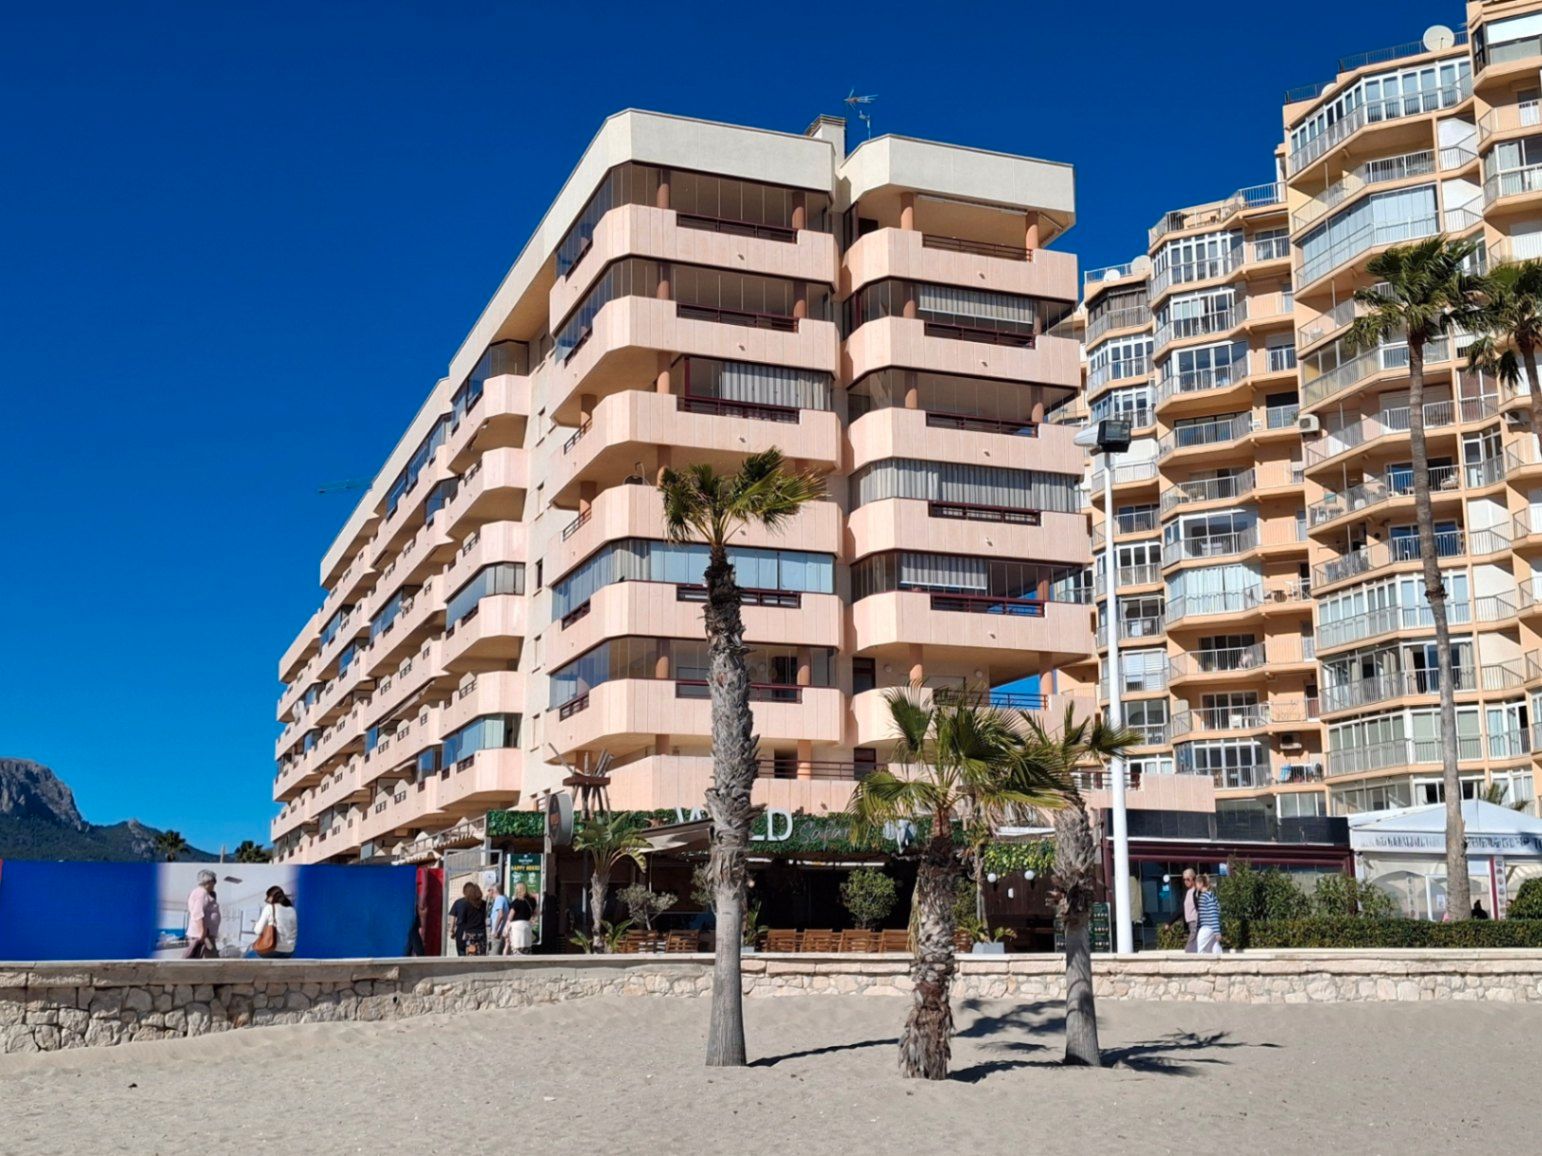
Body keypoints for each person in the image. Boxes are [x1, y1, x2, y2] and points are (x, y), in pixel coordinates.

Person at [248, 886, 298, 959]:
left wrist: (255, 924)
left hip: (272, 949)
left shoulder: (269, 907)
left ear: (271, 896)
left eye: (268, 896)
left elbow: (258, 931)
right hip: (289, 951)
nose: (267, 899)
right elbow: (294, 931)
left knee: (251, 952)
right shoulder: (292, 910)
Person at [184, 870, 221, 958]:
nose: (214, 884)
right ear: (208, 881)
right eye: (214, 882)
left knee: (208, 960)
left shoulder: (202, 893)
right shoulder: (201, 892)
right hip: (203, 936)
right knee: (211, 962)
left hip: (205, 935)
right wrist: (202, 934)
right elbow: (197, 913)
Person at [448, 882, 487, 956]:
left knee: (463, 956)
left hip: (466, 935)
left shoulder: (461, 903)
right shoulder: (484, 904)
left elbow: (453, 918)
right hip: (481, 934)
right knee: (481, 957)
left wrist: (452, 930)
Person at [1171, 868, 1199, 953]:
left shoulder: (1197, 891)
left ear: (1193, 878)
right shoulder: (1188, 892)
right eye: (1184, 879)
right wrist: (1170, 922)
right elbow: (1181, 909)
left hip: (1196, 923)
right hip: (1190, 924)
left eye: (1188, 879)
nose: (1185, 881)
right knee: (1195, 948)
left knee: (1189, 949)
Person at [1195, 874, 1223, 955]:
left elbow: (1213, 913)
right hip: (1211, 928)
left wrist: (1217, 931)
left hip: (1207, 928)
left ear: (1201, 884)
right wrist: (1216, 930)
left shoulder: (1205, 896)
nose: (1196, 886)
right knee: (1215, 949)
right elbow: (1217, 911)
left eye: (1196, 884)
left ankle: (1201, 966)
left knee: (1201, 951)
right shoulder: (1211, 895)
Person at [508, 882, 537, 955]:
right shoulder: (532, 900)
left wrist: (507, 927)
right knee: (526, 947)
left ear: (517, 890)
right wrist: (531, 919)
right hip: (527, 925)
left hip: (516, 926)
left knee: (517, 948)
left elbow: (510, 916)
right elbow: (536, 912)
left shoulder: (516, 901)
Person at [486, 882, 511, 956]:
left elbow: (500, 915)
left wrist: (495, 930)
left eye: (489, 890)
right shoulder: (503, 898)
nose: (488, 892)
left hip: (498, 933)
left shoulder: (499, 899)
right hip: (501, 932)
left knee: (493, 956)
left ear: (494, 890)